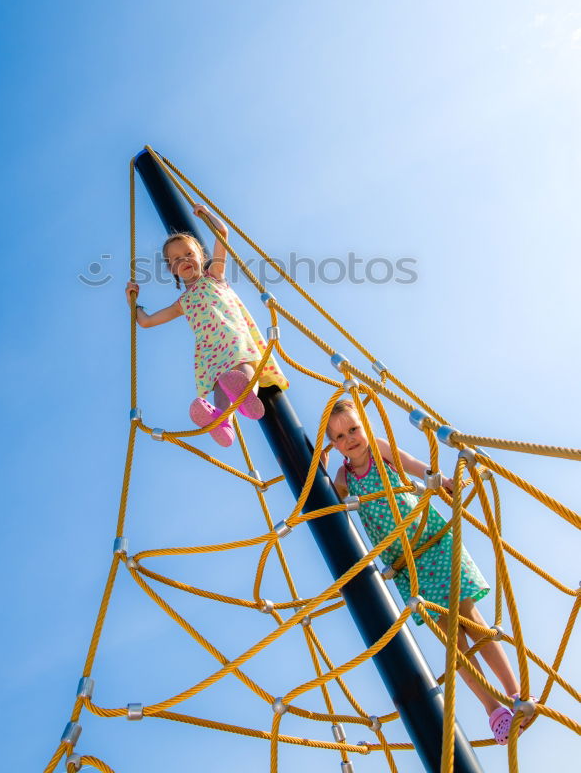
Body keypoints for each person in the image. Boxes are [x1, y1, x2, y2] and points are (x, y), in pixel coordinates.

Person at [323, 397, 531, 746]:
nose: (350, 439)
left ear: (366, 428)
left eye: (354, 428)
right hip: (407, 564)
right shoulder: (345, 476)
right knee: (452, 642)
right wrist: (322, 467)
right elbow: (329, 503)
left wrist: (442, 480)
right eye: (340, 437)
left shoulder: (379, 449)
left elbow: (413, 463)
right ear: (334, 444)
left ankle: (516, 694)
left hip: (432, 542)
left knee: (473, 620)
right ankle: (494, 711)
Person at [125, 203, 288, 446]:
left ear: (201, 255)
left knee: (242, 368)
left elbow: (222, 233)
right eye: (177, 259)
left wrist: (205, 214)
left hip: (232, 337)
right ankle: (223, 422)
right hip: (209, 351)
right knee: (221, 385)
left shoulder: (215, 275)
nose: (185, 260)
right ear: (172, 270)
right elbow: (147, 322)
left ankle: (247, 399)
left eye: (189, 254)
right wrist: (133, 303)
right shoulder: (182, 303)